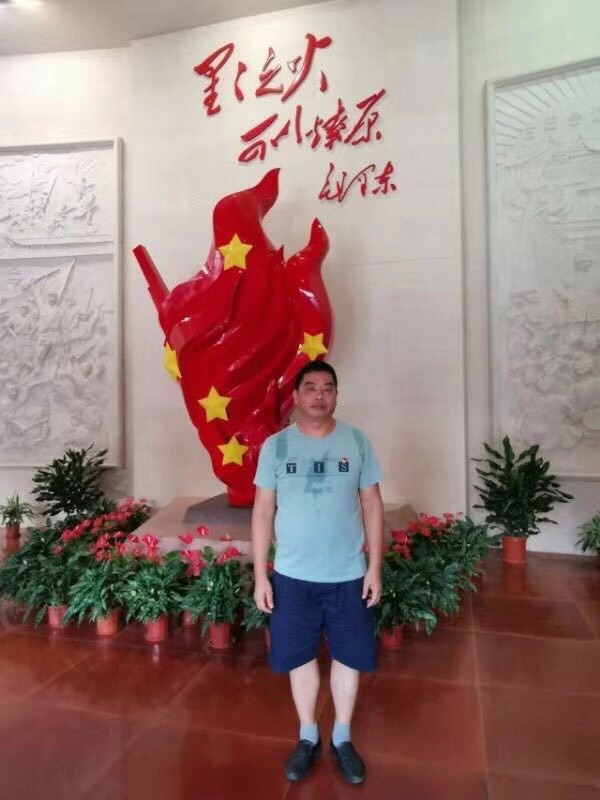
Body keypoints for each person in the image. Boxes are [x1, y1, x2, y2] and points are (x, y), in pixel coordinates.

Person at [251, 360, 384, 785]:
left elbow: (372, 504)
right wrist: (261, 575)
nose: (320, 395)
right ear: (296, 396)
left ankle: (342, 737)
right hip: (293, 575)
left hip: (348, 574)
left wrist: (374, 567)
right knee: (300, 656)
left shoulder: (356, 441)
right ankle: (307, 735)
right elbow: (262, 511)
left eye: (328, 388)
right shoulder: (276, 447)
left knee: (349, 656)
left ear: (336, 396)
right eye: (311, 387)